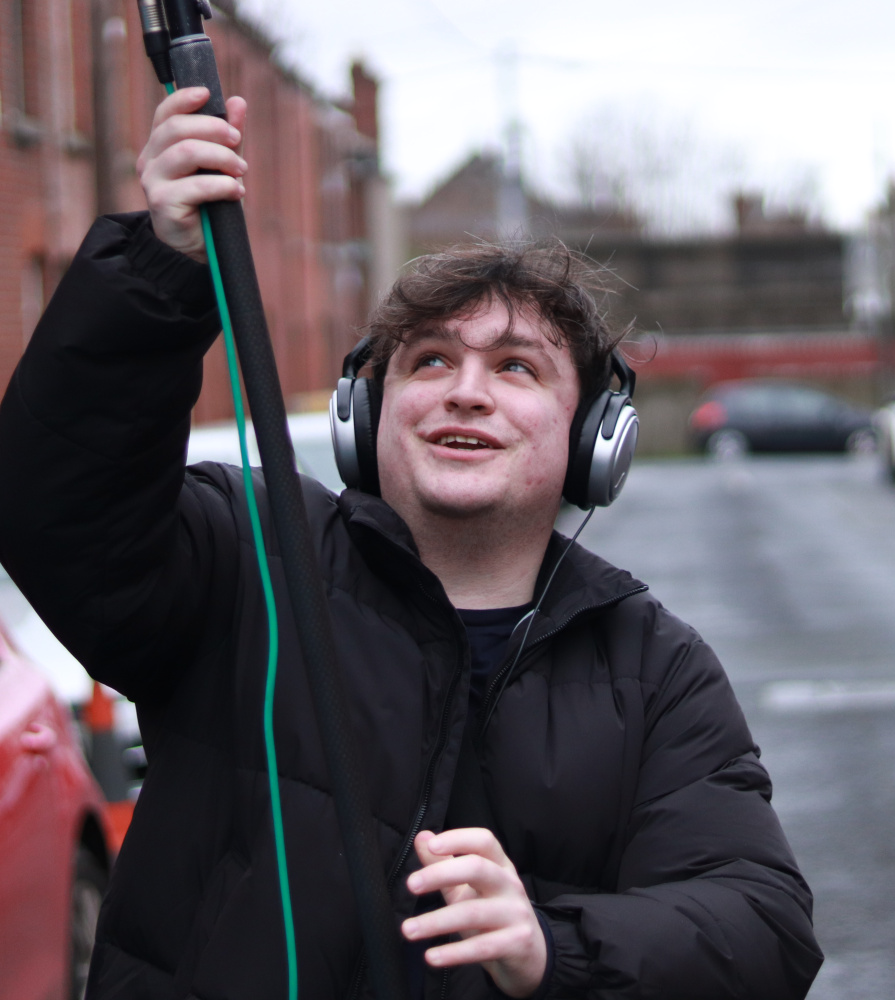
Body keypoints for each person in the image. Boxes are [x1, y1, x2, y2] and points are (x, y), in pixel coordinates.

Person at [0, 87, 822, 1000]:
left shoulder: (654, 668)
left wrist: (553, 948)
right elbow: (60, 503)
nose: (466, 391)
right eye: (430, 360)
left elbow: (763, 928)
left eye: (515, 367)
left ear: (593, 439)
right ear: (367, 414)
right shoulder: (250, 560)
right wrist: (162, 268)